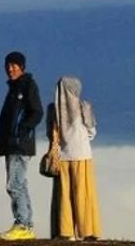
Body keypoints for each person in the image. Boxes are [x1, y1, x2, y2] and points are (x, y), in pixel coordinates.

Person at [0, 51, 44, 241]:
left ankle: (22, 224)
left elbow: (37, 112)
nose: (10, 69)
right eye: (8, 66)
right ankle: (27, 225)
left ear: (22, 67)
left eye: (14, 65)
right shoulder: (14, 88)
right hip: (12, 144)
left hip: (19, 144)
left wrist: (20, 131)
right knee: (20, 185)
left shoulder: (27, 85)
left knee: (14, 185)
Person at [48, 76, 101, 240]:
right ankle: (88, 231)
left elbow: (50, 134)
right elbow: (92, 132)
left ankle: (65, 231)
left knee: (64, 195)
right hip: (83, 155)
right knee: (83, 194)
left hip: (62, 157)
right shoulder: (84, 107)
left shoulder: (53, 110)